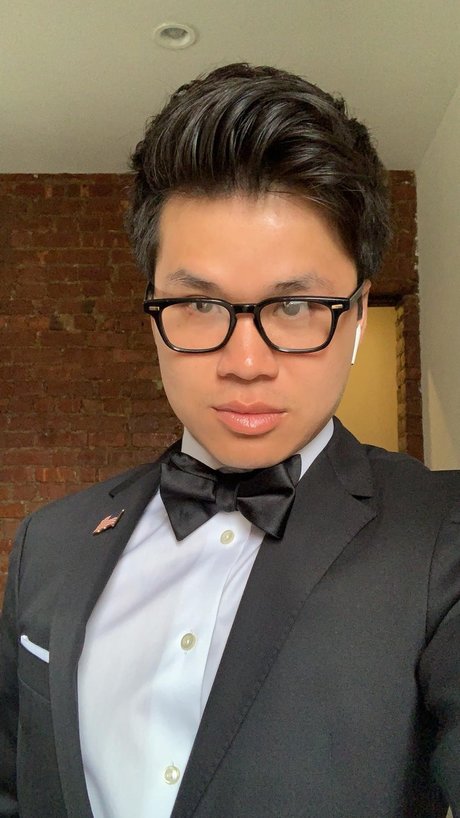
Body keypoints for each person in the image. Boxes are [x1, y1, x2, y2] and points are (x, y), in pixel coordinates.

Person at [1, 63, 459, 818]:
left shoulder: (441, 533)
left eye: (297, 307)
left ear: (355, 317)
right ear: (153, 310)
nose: (246, 363)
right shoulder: (48, 544)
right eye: (200, 304)